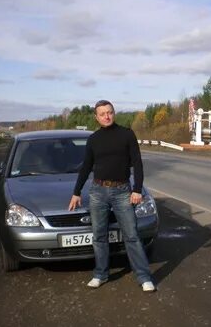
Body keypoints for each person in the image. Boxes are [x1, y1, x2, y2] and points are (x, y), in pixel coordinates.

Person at [68, 100, 155, 292]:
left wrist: (137, 189)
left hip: (122, 191)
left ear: (113, 113)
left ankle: (144, 277)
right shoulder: (93, 139)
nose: (106, 116)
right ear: (96, 117)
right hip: (98, 192)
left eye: (109, 112)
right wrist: (76, 192)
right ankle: (100, 274)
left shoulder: (126, 135)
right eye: (102, 114)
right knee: (99, 236)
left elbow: (138, 164)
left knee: (131, 236)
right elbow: (85, 168)